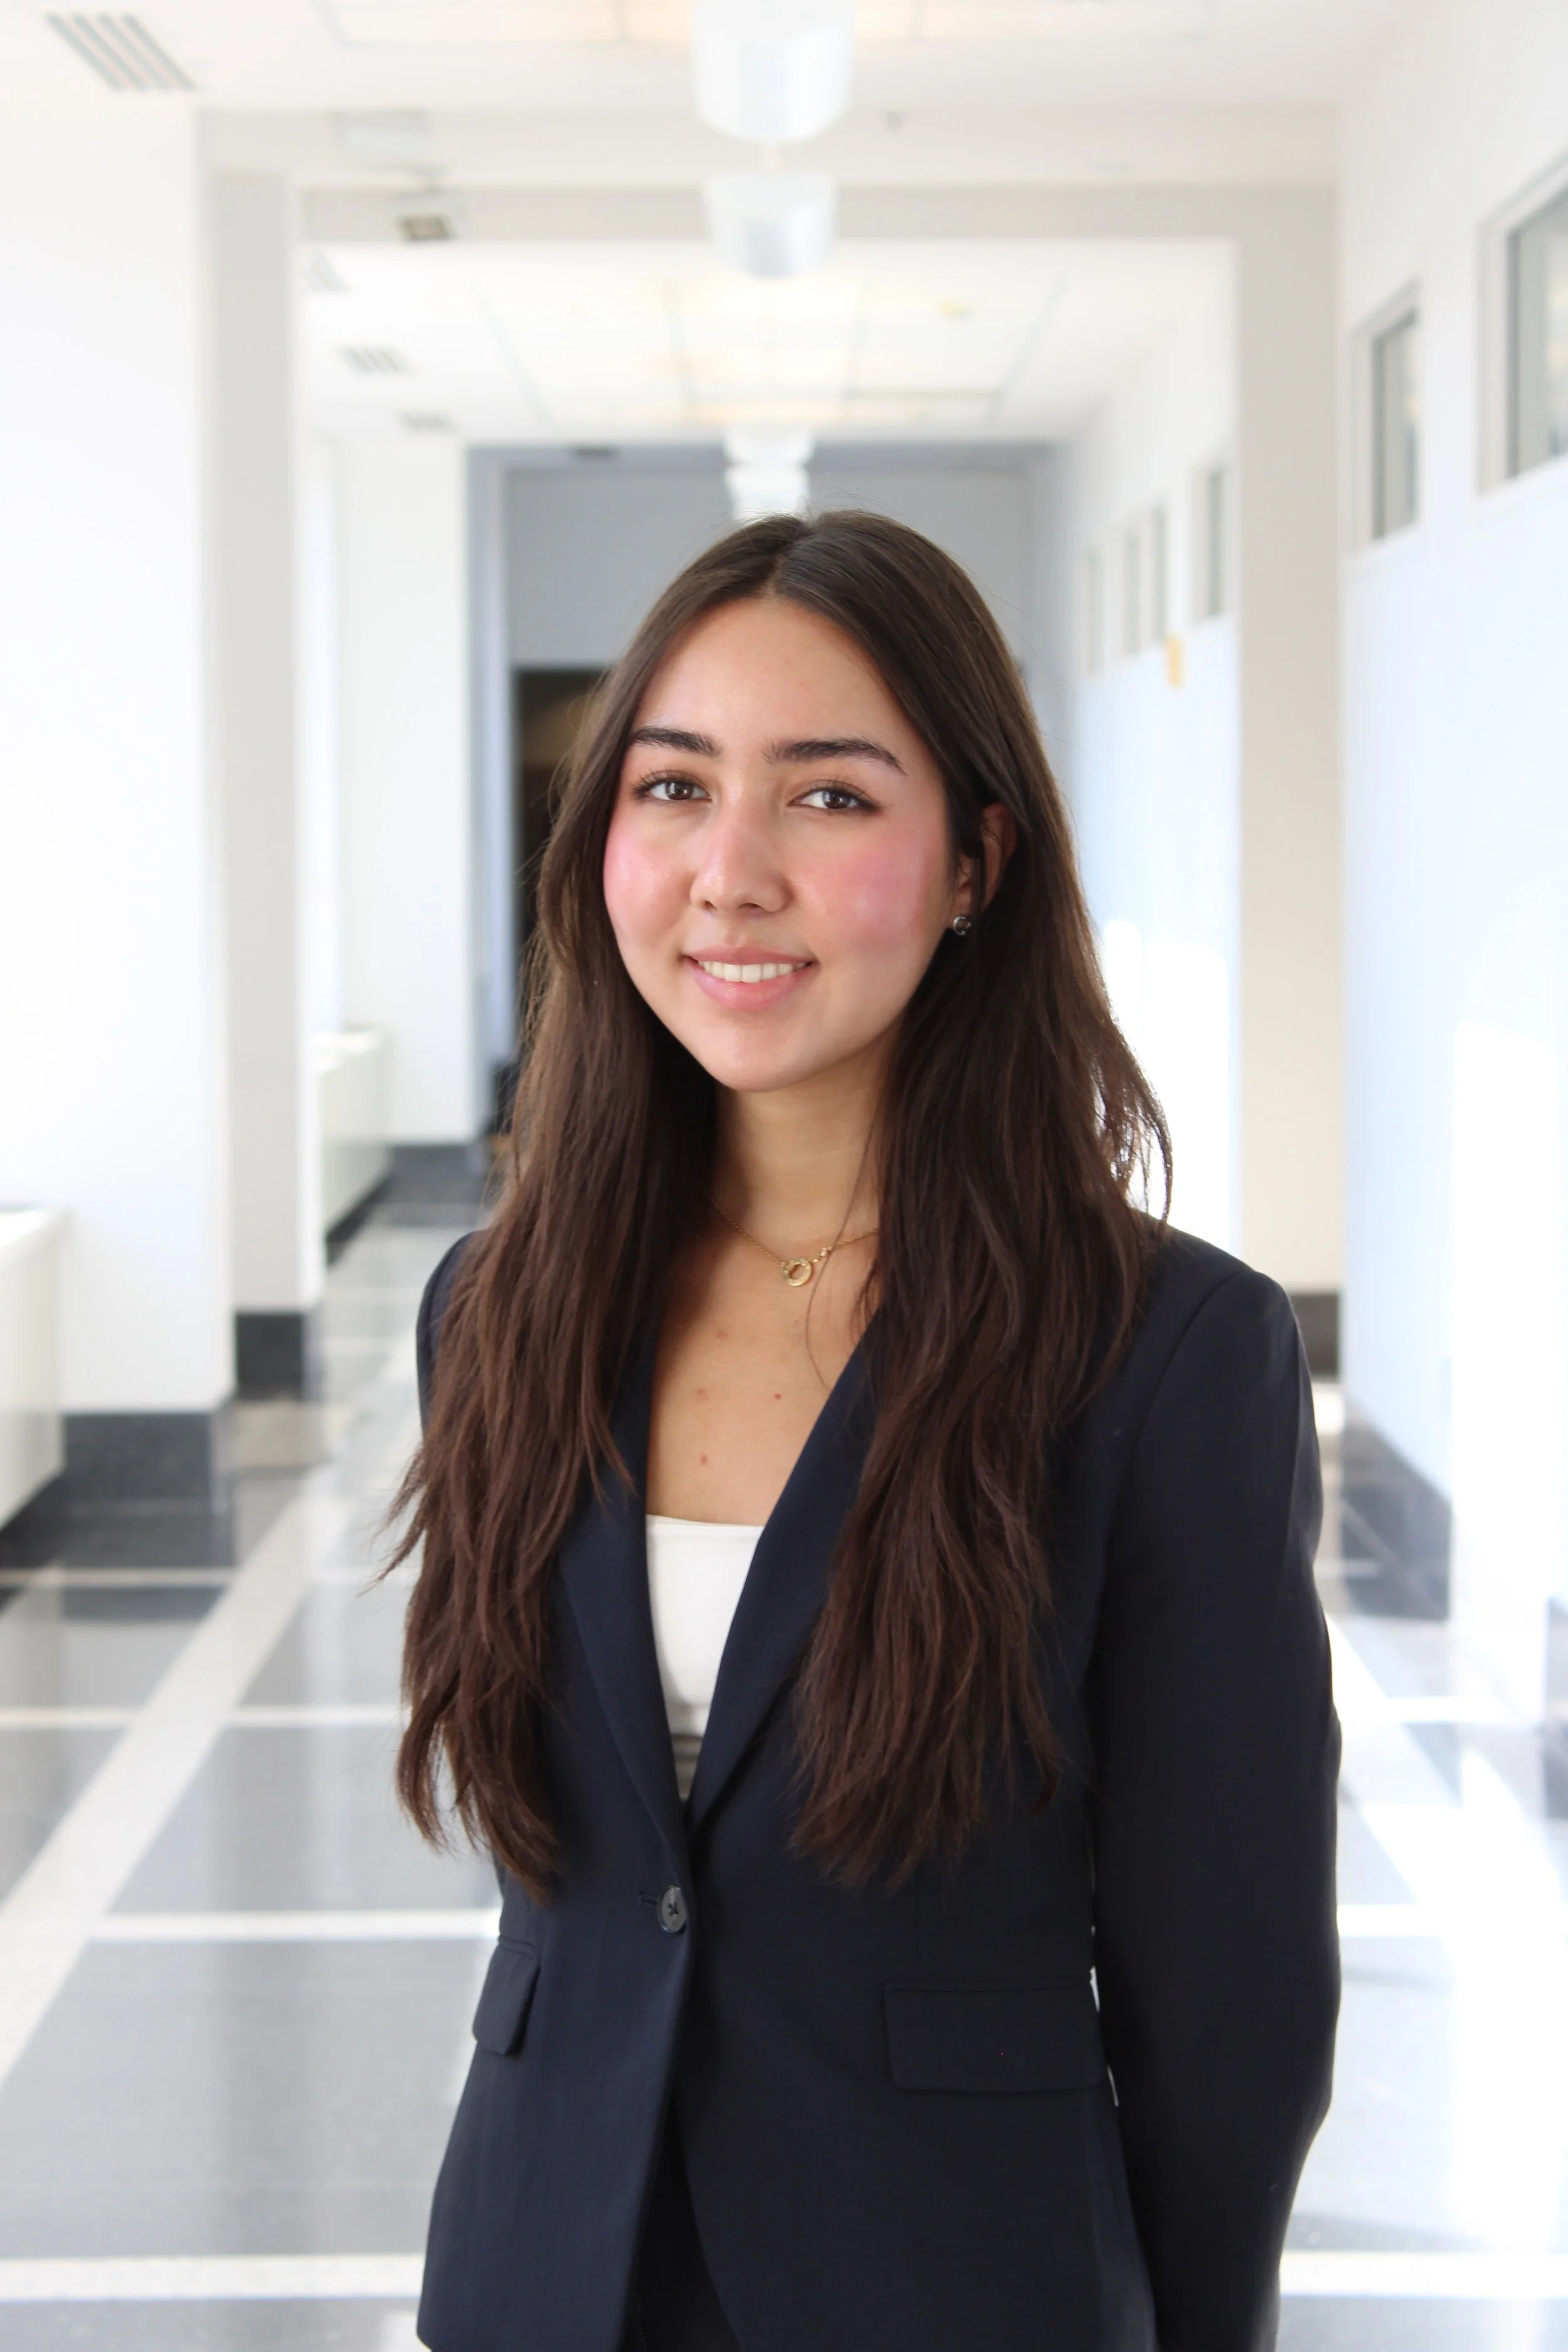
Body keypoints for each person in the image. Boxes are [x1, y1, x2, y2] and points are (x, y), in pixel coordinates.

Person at [393, 511, 1340, 2352]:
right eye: (673, 787)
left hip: (955, 2288)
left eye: (827, 798)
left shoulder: (1162, 1353)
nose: (729, 874)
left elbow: (1231, 2001)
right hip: (542, 2272)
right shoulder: (498, 1308)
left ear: (977, 859)